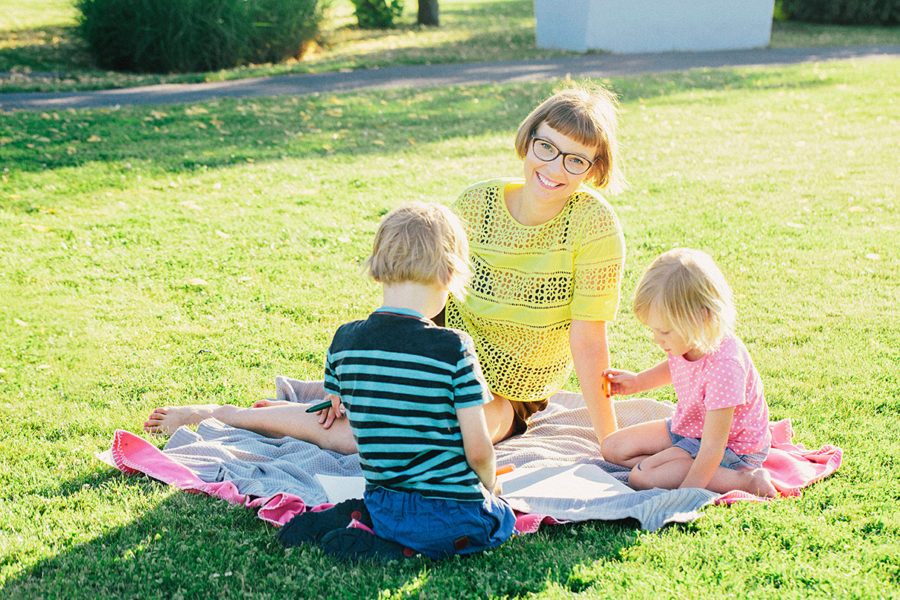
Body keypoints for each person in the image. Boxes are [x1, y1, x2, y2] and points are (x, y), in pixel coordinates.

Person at [144, 82, 626, 448]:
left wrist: (609, 442)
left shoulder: (594, 225)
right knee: (365, 430)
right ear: (529, 139)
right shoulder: (476, 203)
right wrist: (388, 364)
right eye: (547, 146)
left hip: (510, 387)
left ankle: (275, 412)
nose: (555, 167)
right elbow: (423, 292)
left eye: (576, 160)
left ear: (594, 170)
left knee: (441, 441)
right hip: (435, 349)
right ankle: (220, 414)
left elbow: (588, 341)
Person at [277, 202, 516, 560]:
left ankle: (364, 520)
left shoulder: (344, 341)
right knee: (500, 523)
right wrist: (491, 484)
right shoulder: (454, 347)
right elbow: (479, 449)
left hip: (384, 501)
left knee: (395, 510)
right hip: (452, 513)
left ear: (376, 271)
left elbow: (335, 400)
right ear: (450, 275)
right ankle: (393, 550)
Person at [600, 248, 778, 497]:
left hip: (732, 448)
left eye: (664, 332)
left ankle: (746, 481)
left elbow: (713, 450)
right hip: (693, 428)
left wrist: (683, 495)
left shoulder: (726, 367)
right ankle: (676, 464)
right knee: (613, 448)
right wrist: (638, 382)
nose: (656, 340)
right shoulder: (691, 337)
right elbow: (677, 366)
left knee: (642, 478)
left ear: (702, 318)